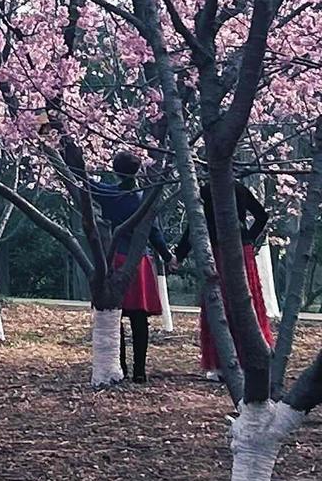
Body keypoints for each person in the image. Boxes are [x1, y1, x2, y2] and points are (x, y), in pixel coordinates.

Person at [88, 150, 174, 383]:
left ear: (116, 170)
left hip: (116, 259)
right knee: (139, 319)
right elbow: (153, 231)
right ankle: (140, 371)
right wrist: (167, 256)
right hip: (139, 261)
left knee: (115, 317)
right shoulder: (143, 198)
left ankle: (122, 366)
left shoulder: (109, 194)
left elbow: (87, 184)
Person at [176, 176, 273, 377]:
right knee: (248, 302)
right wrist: (248, 238)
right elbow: (262, 216)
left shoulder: (205, 191)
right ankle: (251, 358)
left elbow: (193, 227)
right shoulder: (239, 188)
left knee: (219, 303)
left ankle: (221, 363)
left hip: (217, 251)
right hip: (241, 250)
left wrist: (179, 255)